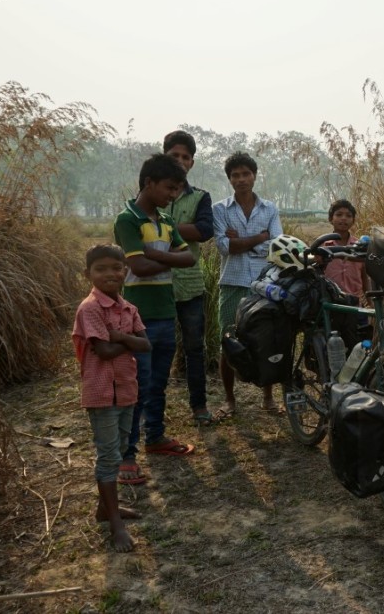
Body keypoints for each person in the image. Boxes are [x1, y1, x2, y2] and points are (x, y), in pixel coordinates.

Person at [113, 154, 197, 479]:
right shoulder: (127, 219)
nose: (173, 194)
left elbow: (189, 258)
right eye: (169, 187)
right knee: (137, 387)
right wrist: (168, 258)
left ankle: (156, 437)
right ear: (149, 183)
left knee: (158, 383)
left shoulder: (165, 220)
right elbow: (138, 267)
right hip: (137, 318)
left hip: (165, 311)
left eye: (177, 189)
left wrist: (154, 255)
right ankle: (126, 454)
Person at [72, 244, 151, 552]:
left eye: (115, 268)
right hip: (101, 392)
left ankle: (106, 509)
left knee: (118, 448)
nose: (109, 274)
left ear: (125, 271)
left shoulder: (128, 308)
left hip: (126, 389)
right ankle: (115, 524)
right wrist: (126, 341)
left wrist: (119, 337)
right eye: (100, 269)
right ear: (88, 274)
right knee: (108, 456)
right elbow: (102, 351)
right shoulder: (89, 308)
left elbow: (145, 345)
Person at [212, 151, 283, 419]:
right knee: (228, 340)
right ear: (229, 179)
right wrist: (259, 237)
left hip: (265, 282)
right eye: (235, 175)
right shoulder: (220, 209)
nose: (241, 179)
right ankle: (230, 400)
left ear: (254, 175)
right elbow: (223, 247)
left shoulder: (270, 208)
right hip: (232, 282)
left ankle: (268, 397)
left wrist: (241, 241)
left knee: (268, 340)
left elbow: (276, 245)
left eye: (245, 174)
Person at [161, 130, 214, 426]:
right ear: (164, 156)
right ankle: (154, 411)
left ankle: (199, 407)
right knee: (159, 347)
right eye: (174, 156)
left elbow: (205, 231)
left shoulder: (201, 197)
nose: (180, 161)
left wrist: (164, 229)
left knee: (195, 347)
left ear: (192, 163)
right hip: (155, 285)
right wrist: (185, 228)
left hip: (190, 284)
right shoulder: (151, 194)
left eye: (185, 157)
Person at [322, 199, 370, 349]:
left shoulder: (360, 247)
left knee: (358, 346)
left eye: (348, 215)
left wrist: (369, 301)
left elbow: (364, 276)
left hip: (355, 304)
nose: (343, 218)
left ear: (353, 220)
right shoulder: (323, 247)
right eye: (339, 214)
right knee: (333, 346)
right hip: (332, 305)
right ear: (331, 219)